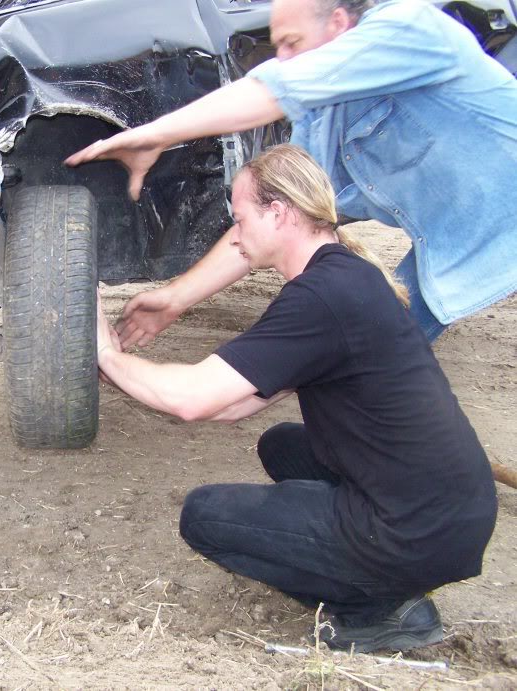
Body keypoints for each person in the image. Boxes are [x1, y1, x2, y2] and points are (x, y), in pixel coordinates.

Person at [94, 144, 497, 653]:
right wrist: (130, 374)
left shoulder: (318, 300)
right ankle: (381, 569)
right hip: (451, 508)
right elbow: (232, 405)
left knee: (205, 517)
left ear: (279, 213)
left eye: (240, 220)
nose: (235, 236)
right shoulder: (347, 275)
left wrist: (107, 356)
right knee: (281, 444)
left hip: (414, 532)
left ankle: (381, 608)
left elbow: (192, 400)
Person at [67, 0, 517, 344]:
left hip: (503, 215)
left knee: (375, 354)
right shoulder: (319, 123)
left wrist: (156, 135)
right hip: (450, 241)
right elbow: (273, 218)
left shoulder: (411, 28)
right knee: (372, 348)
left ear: (339, 24)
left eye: (291, 43)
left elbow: (272, 90)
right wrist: (176, 298)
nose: (283, 58)